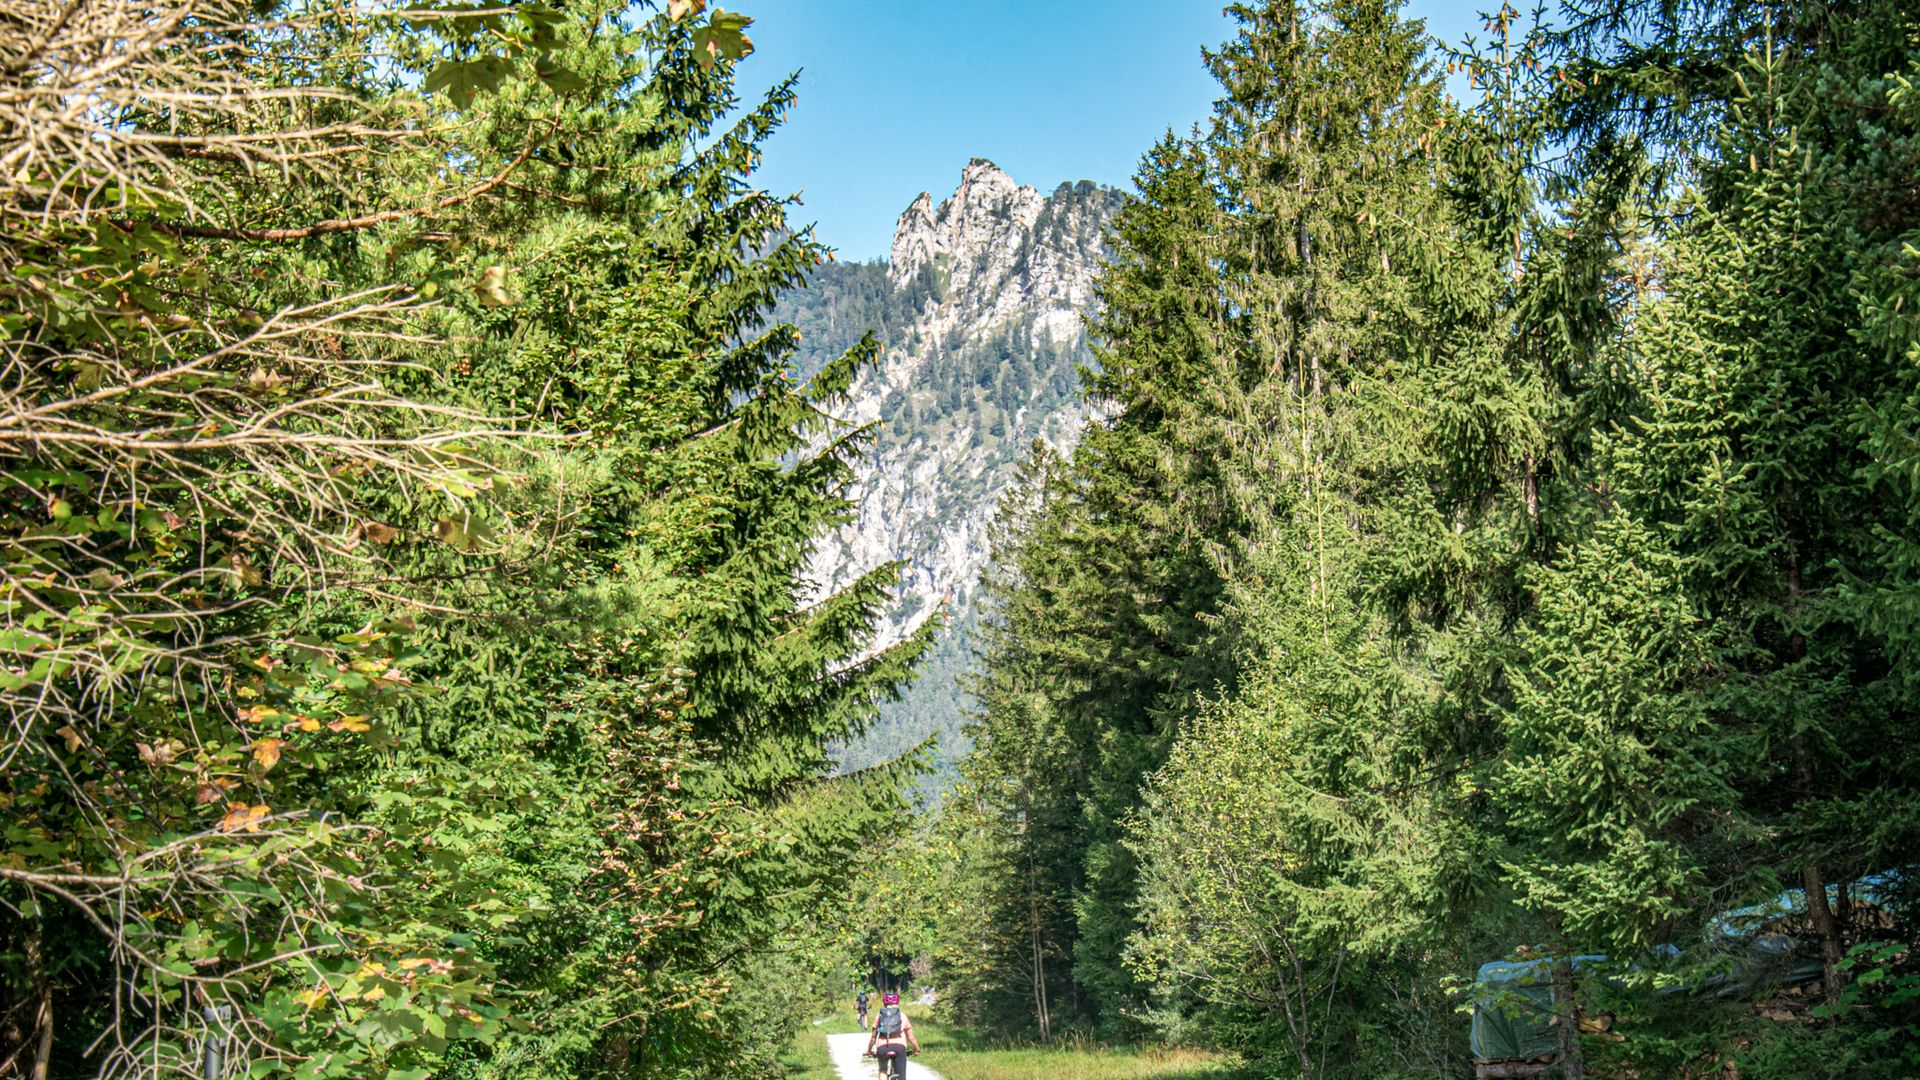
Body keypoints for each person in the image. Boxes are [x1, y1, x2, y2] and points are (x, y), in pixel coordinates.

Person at [864, 991, 919, 1079]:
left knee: (882, 1070)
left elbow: (873, 1037)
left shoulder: (879, 1016)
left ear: (884, 1002)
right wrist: (916, 1049)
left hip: (882, 1048)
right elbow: (911, 1037)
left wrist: (869, 1051)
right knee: (901, 1075)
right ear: (897, 1002)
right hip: (899, 1047)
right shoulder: (902, 1016)